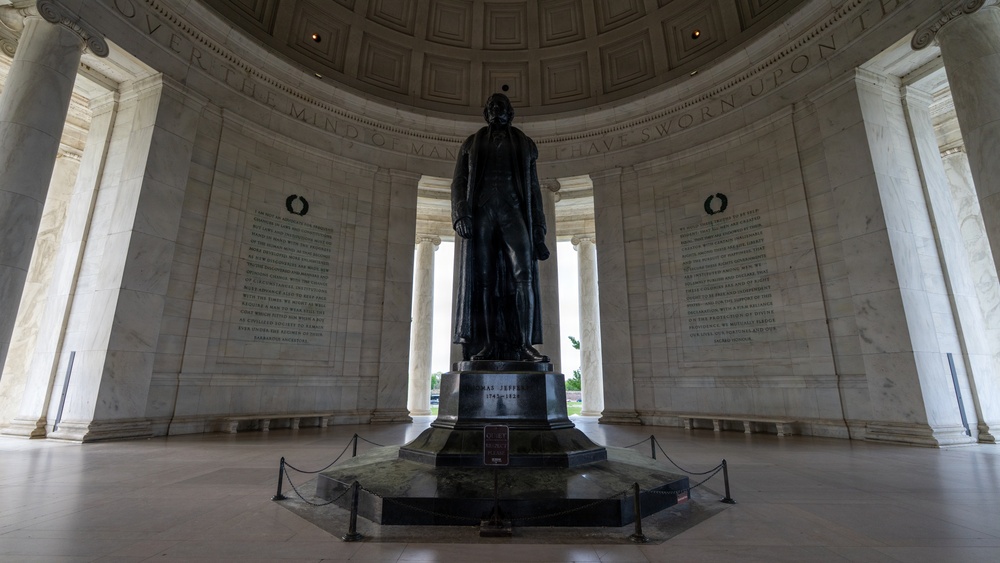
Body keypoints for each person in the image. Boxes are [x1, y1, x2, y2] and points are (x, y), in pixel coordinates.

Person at [451, 93, 550, 363]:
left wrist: (539, 228)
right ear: (486, 113)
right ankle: (486, 344)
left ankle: (524, 345)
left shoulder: (525, 144)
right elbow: (458, 182)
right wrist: (461, 213)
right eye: (492, 106)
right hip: (482, 212)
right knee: (483, 279)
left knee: (524, 275)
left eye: (501, 106)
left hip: (513, 211)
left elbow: (534, 189)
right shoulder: (472, 143)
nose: (496, 110)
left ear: (510, 112)